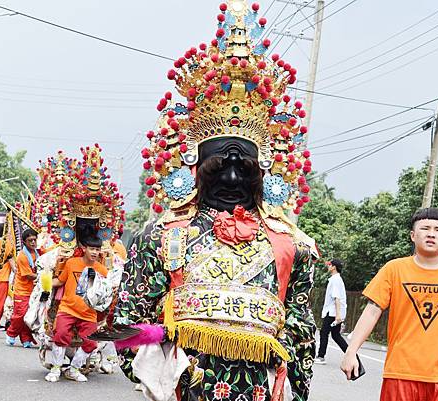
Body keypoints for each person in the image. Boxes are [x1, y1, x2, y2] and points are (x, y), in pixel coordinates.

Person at [110, 3, 318, 399]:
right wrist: (164, 368)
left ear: (265, 172)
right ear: (193, 166)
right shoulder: (160, 237)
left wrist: (282, 362)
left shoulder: (293, 246)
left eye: (245, 170)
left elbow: (301, 325)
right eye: (219, 168)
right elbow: (129, 321)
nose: (233, 179)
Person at [341, 207, 438, 401]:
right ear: (413, 235)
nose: (431, 234)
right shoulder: (394, 269)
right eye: (425, 228)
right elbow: (372, 311)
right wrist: (351, 350)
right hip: (401, 372)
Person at [44, 234, 109, 383]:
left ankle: (74, 369)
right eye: (92, 248)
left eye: (97, 249)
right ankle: (55, 369)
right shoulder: (71, 263)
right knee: (60, 335)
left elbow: (106, 292)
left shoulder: (102, 270)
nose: (95, 252)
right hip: (67, 309)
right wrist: (44, 280)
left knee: (91, 343)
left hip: (89, 313)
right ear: (84, 248)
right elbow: (60, 281)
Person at [6, 228, 39, 347]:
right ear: (24, 242)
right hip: (22, 290)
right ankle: (11, 333)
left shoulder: (37, 252)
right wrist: (43, 276)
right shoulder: (22, 256)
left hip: (34, 291)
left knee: (29, 316)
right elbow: (29, 275)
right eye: (30, 240)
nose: (33, 242)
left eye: (35, 240)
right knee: (20, 315)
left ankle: (26, 339)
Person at [314, 259, 348, 364]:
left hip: (333, 312)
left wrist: (338, 315)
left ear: (334, 267)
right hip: (334, 311)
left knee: (324, 332)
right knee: (335, 335)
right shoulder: (335, 279)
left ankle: (321, 356)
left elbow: (337, 298)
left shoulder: (336, 280)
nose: (328, 266)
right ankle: (351, 355)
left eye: (330, 265)